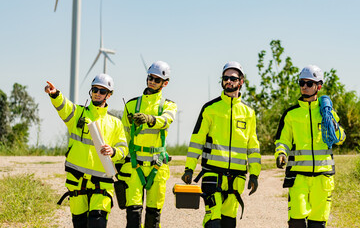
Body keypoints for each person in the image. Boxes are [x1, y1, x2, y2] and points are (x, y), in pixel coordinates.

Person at [181, 61, 261, 228]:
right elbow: (197, 141)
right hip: (212, 174)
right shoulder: (210, 108)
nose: (228, 81)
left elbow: (253, 147)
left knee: (228, 222)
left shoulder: (249, 113)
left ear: (241, 81)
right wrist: (189, 168)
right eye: (225, 78)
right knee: (213, 221)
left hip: (236, 177)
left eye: (233, 78)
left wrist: (254, 174)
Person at [45, 74, 128, 228]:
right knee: (80, 225)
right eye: (95, 89)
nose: (97, 93)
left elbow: (123, 149)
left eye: (102, 91)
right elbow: (64, 106)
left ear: (109, 95)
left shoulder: (115, 123)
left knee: (97, 223)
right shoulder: (78, 114)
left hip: (102, 183)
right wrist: (55, 94)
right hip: (77, 183)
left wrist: (114, 151)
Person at [274, 65, 346, 228]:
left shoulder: (328, 113)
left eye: (309, 83)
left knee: (318, 223)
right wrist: (281, 153)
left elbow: (341, 138)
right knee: (296, 221)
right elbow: (282, 140)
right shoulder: (291, 114)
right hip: (298, 177)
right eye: (301, 83)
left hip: (323, 177)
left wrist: (331, 121)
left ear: (318, 86)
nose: (304, 87)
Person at [118, 61, 177, 228]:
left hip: (156, 167)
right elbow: (123, 136)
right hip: (134, 165)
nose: (152, 81)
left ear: (165, 83)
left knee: (153, 214)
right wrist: (118, 162)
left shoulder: (168, 105)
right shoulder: (131, 105)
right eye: (150, 77)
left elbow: (166, 120)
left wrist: (150, 119)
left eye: (156, 79)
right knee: (133, 214)